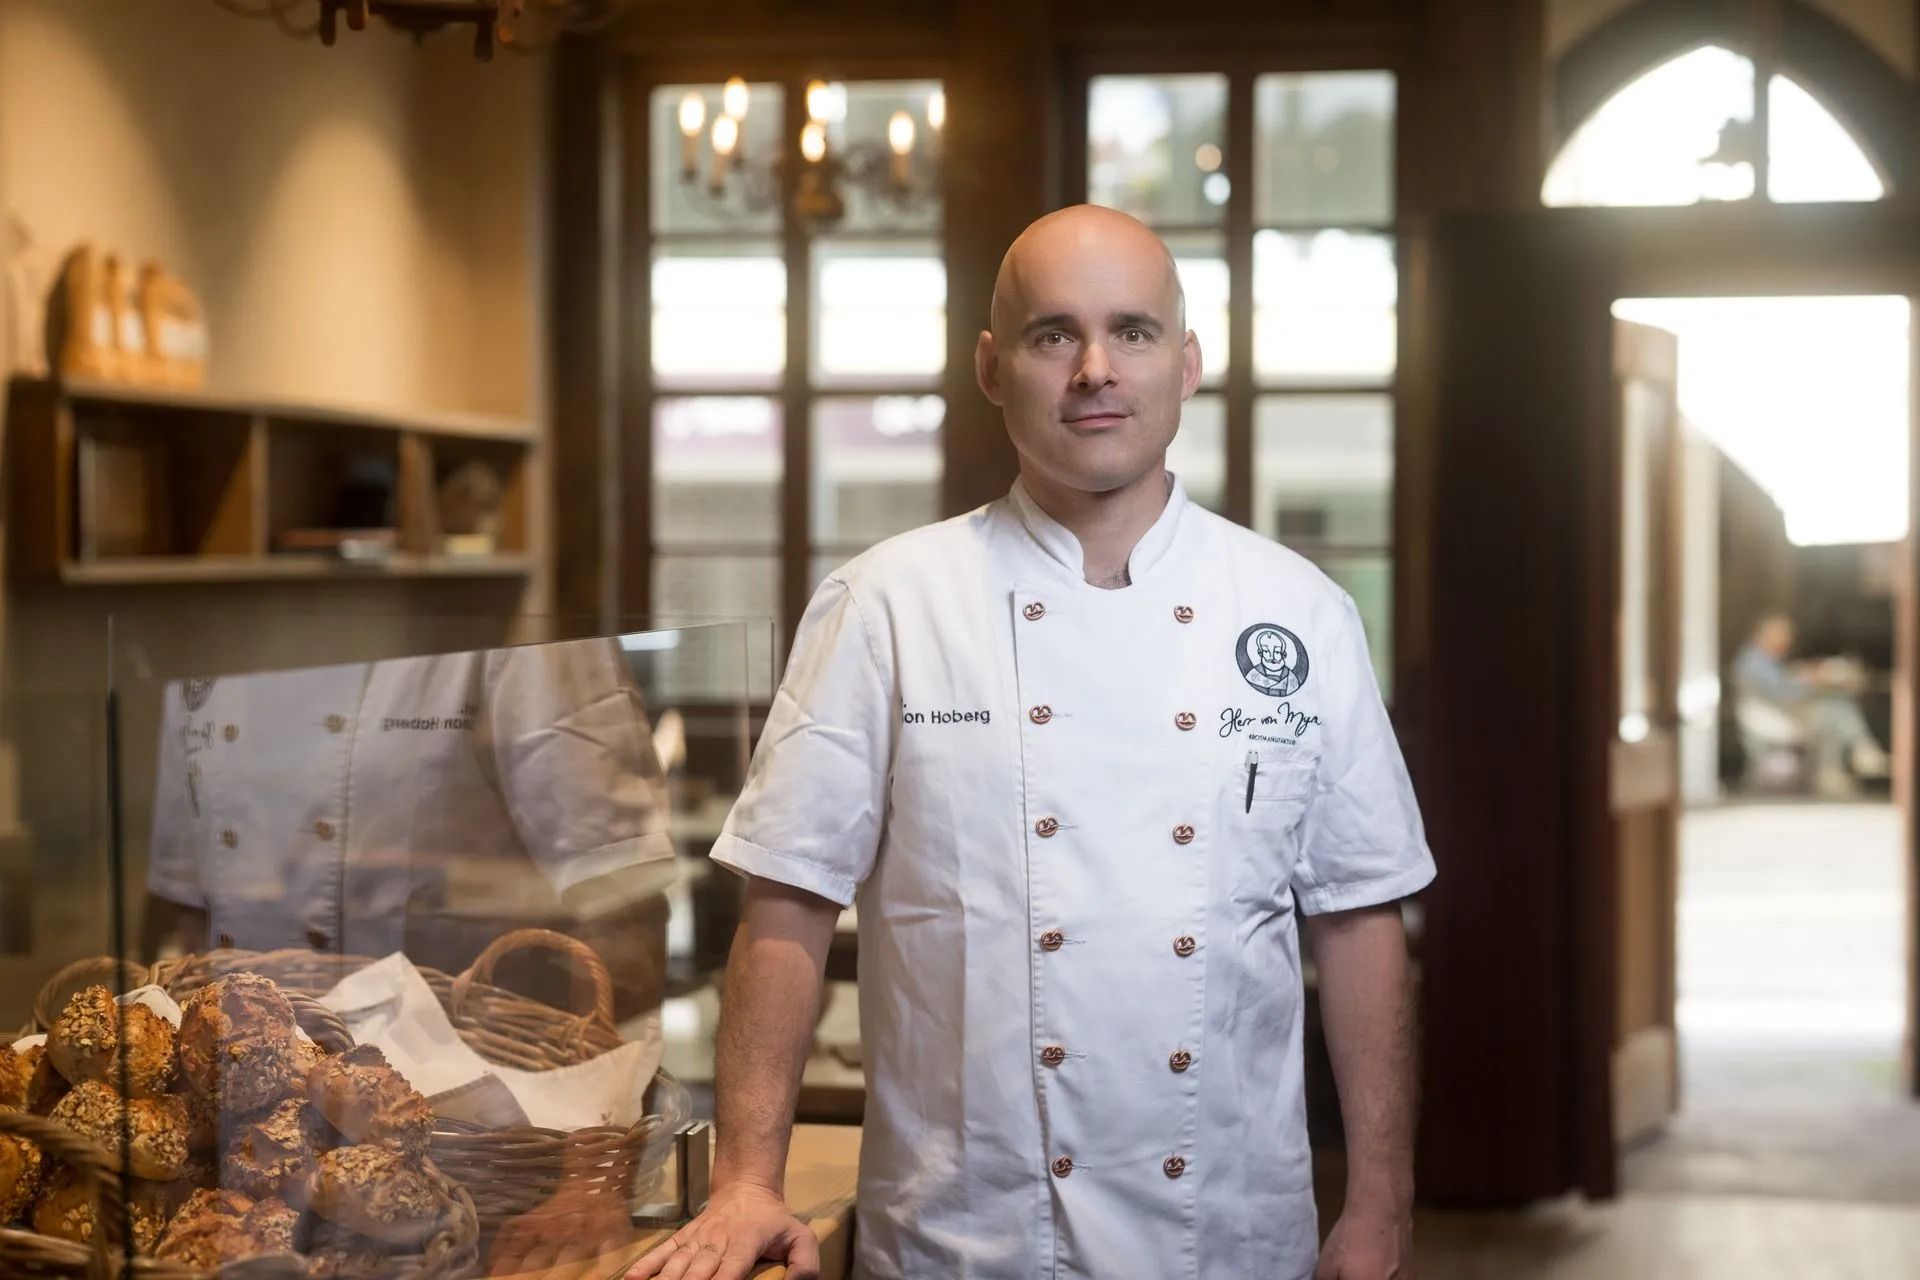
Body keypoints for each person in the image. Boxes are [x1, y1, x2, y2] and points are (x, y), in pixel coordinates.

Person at [629, 205, 1433, 1280]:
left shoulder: (1299, 611)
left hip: (1229, 1236)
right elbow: (788, 901)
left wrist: (1380, 1203)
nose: (1095, 368)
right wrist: (745, 1181)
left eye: (1134, 332)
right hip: (967, 1237)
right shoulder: (886, 605)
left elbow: (1359, 916)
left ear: (1187, 361)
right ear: (992, 365)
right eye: (1055, 334)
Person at [143, 637, 677, 1016]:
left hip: (480, 1129)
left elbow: (622, 910)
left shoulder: (519, 633)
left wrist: (590, 1139)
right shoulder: (208, 634)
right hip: (251, 1115)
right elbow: (190, 911)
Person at [1731, 613, 1889, 797]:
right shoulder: (1752, 661)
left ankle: (1843, 766)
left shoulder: (1763, 660)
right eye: (1783, 635)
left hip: (1781, 715)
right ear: (1766, 635)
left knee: (1834, 711)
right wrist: (1815, 677)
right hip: (1771, 721)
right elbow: (1785, 692)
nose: (1788, 640)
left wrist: (1807, 675)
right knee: (1834, 711)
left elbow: (1783, 685)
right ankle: (1860, 753)